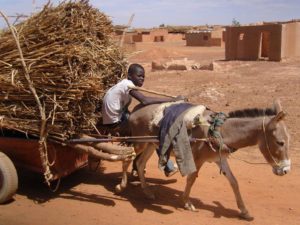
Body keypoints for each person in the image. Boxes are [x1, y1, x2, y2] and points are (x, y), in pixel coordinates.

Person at [101, 63, 183, 177]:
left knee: (144, 126)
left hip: (120, 116)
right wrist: (172, 100)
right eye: (139, 76)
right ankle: (167, 167)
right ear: (129, 76)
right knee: (153, 131)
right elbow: (145, 100)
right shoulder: (127, 85)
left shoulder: (125, 85)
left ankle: (136, 167)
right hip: (115, 123)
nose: (142, 78)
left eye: (143, 76)